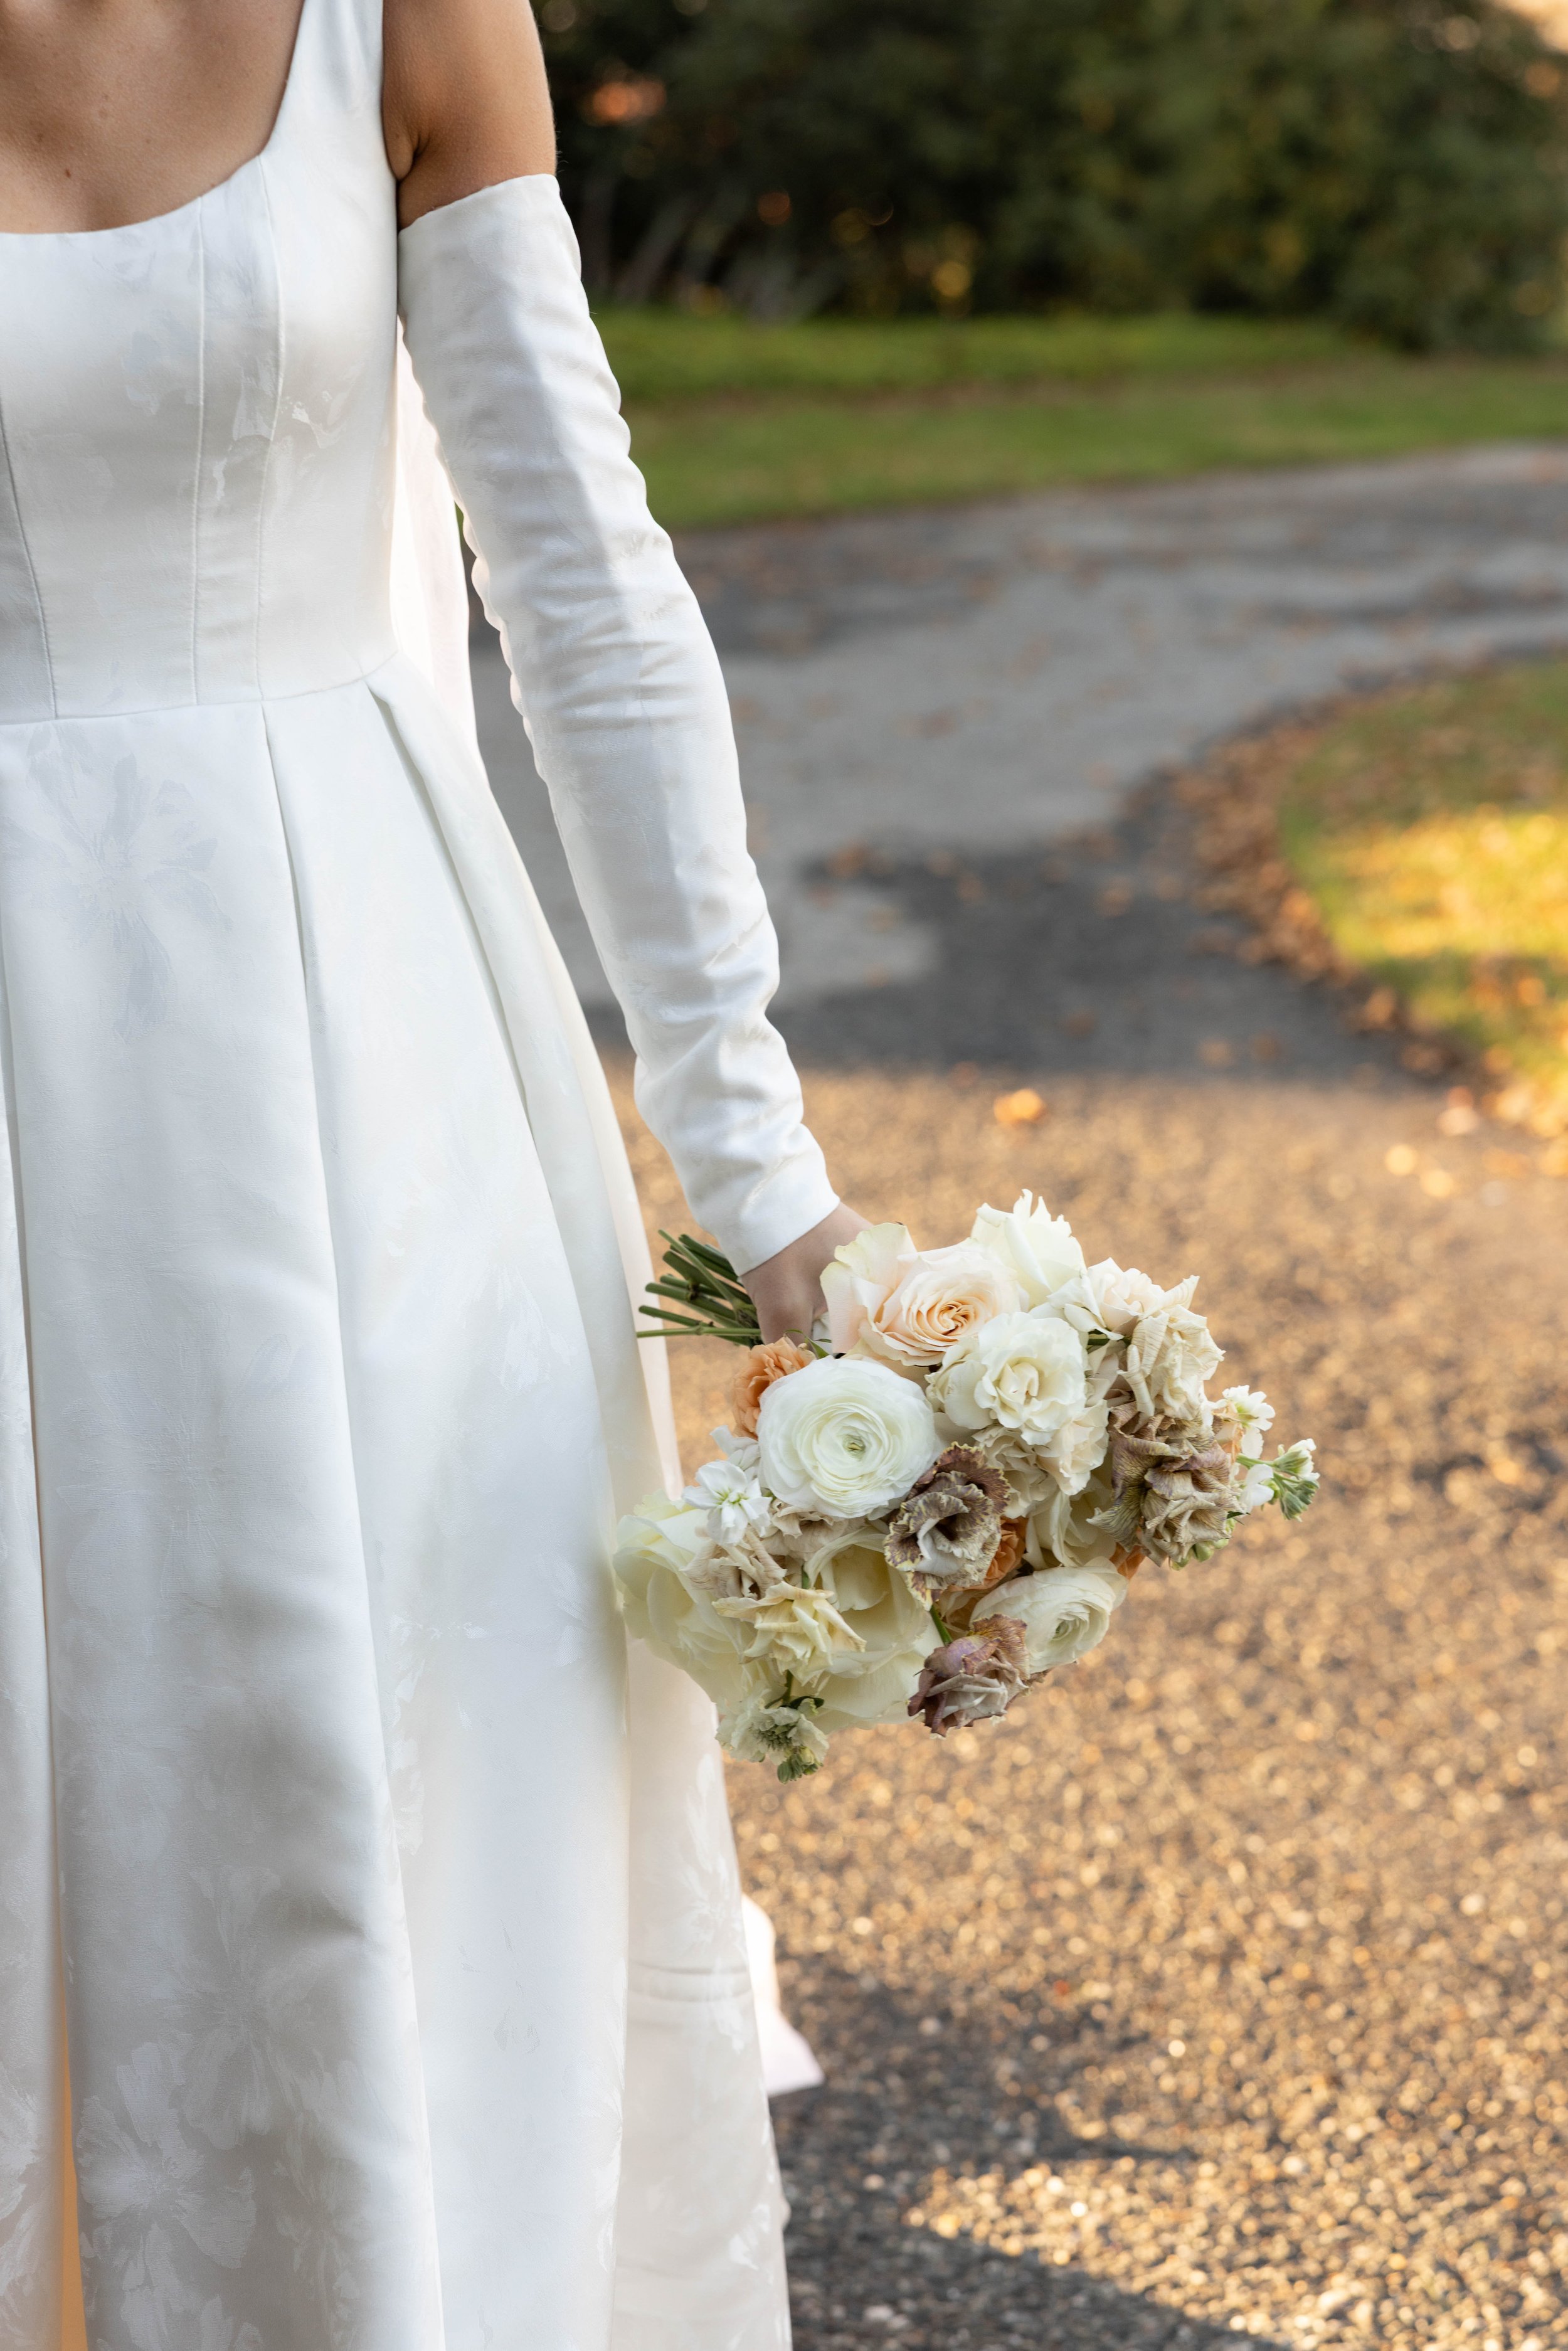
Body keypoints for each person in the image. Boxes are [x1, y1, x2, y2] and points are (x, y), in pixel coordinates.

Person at [0, 0, 862, 2340]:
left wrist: (754, 1162)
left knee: (383, 1799)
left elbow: (579, 589)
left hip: (357, 1064)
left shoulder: (406, 17)